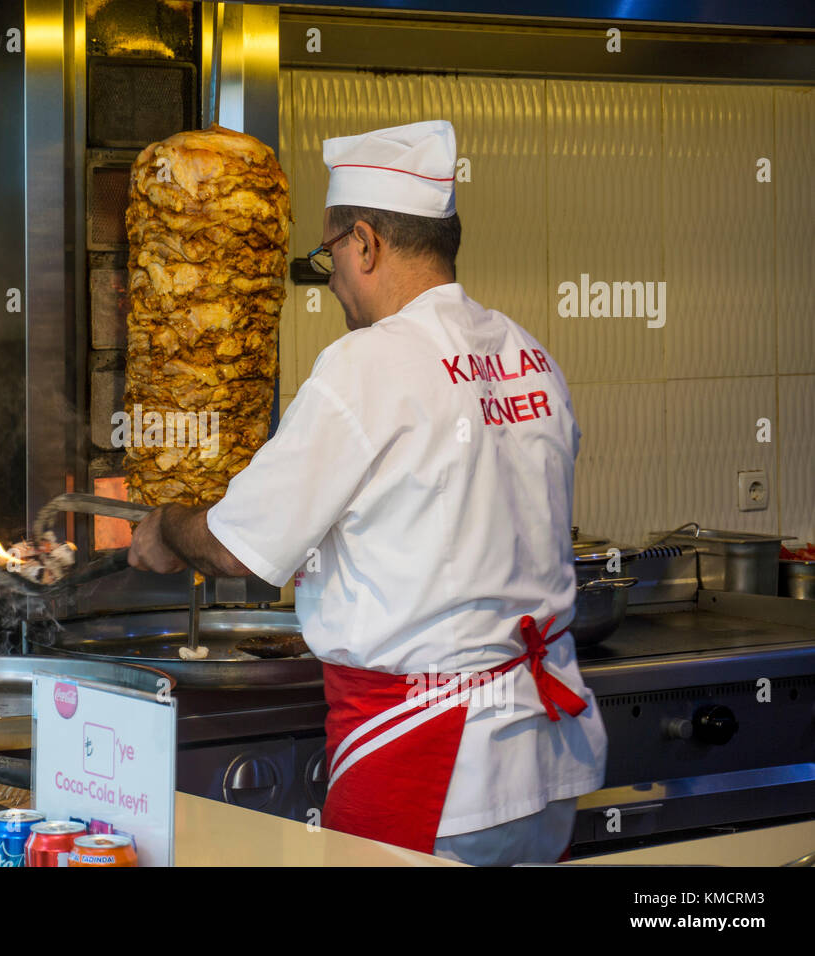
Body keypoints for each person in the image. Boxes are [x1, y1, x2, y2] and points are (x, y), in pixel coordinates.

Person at [128, 120, 607, 866]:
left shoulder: (368, 365)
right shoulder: (527, 354)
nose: (335, 283)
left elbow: (239, 547)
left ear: (365, 243)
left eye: (329, 259)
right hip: (547, 760)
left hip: (430, 758)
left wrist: (166, 530)